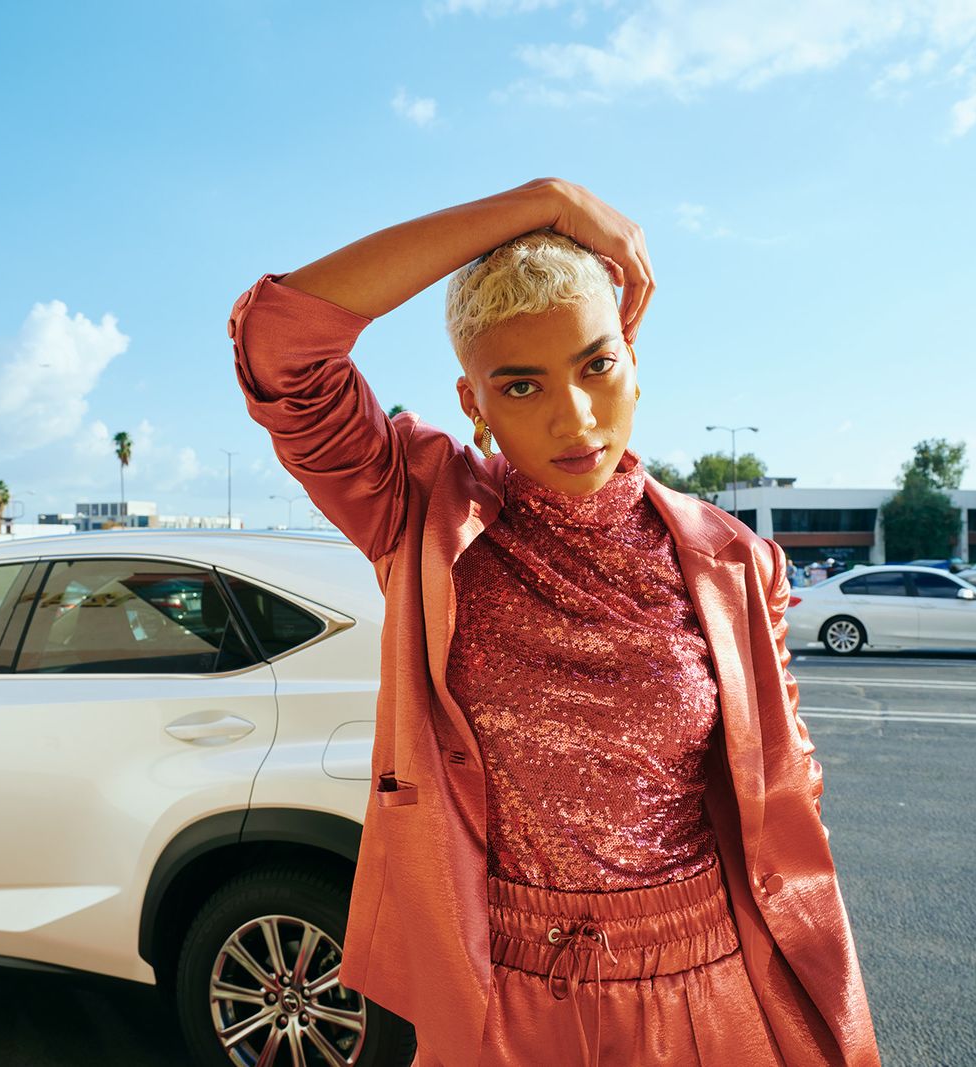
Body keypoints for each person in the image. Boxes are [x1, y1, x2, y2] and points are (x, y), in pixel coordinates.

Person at [230, 178, 879, 1066]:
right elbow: (282, 342)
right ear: (474, 401)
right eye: (522, 383)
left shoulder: (735, 560)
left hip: (713, 989)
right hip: (504, 997)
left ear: (634, 363)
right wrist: (543, 201)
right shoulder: (418, 512)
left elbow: (786, 785)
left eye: (596, 365)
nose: (574, 417)